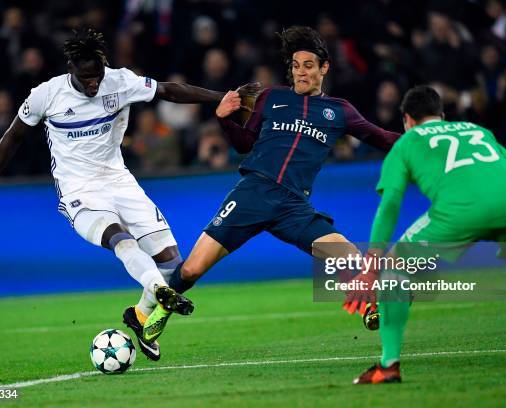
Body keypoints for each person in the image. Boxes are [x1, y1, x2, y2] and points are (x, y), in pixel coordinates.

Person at [0, 28, 257, 362]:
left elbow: (170, 91)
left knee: (174, 264)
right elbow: (12, 137)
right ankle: (159, 292)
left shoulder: (120, 81)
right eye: (85, 78)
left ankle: (141, 314)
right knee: (120, 238)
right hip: (78, 191)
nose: (93, 84)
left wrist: (222, 97)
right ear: (70, 68)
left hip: (120, 181)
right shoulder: (47, 94)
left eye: (97, 76)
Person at [142, 26, 400, 343]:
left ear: (324, 67)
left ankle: (368, 305)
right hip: (252, 193)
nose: (301, 72)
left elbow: (383, 138)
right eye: (295, 65)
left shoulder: (339, 111)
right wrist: (224, 119)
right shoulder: (271, 98)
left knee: (348, 256)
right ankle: (153, 316)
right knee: (192, 269)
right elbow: (244, 144)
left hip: (293, 206)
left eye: (308, 65)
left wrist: (425, 142)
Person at [349, 85, 506, 384]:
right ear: (443, 115)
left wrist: (371, 265)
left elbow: (390, 204)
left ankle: (388, 366)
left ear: (407, 119)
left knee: (394, 268)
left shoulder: (408, 141)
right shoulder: (478, 131)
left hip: (461, 210)